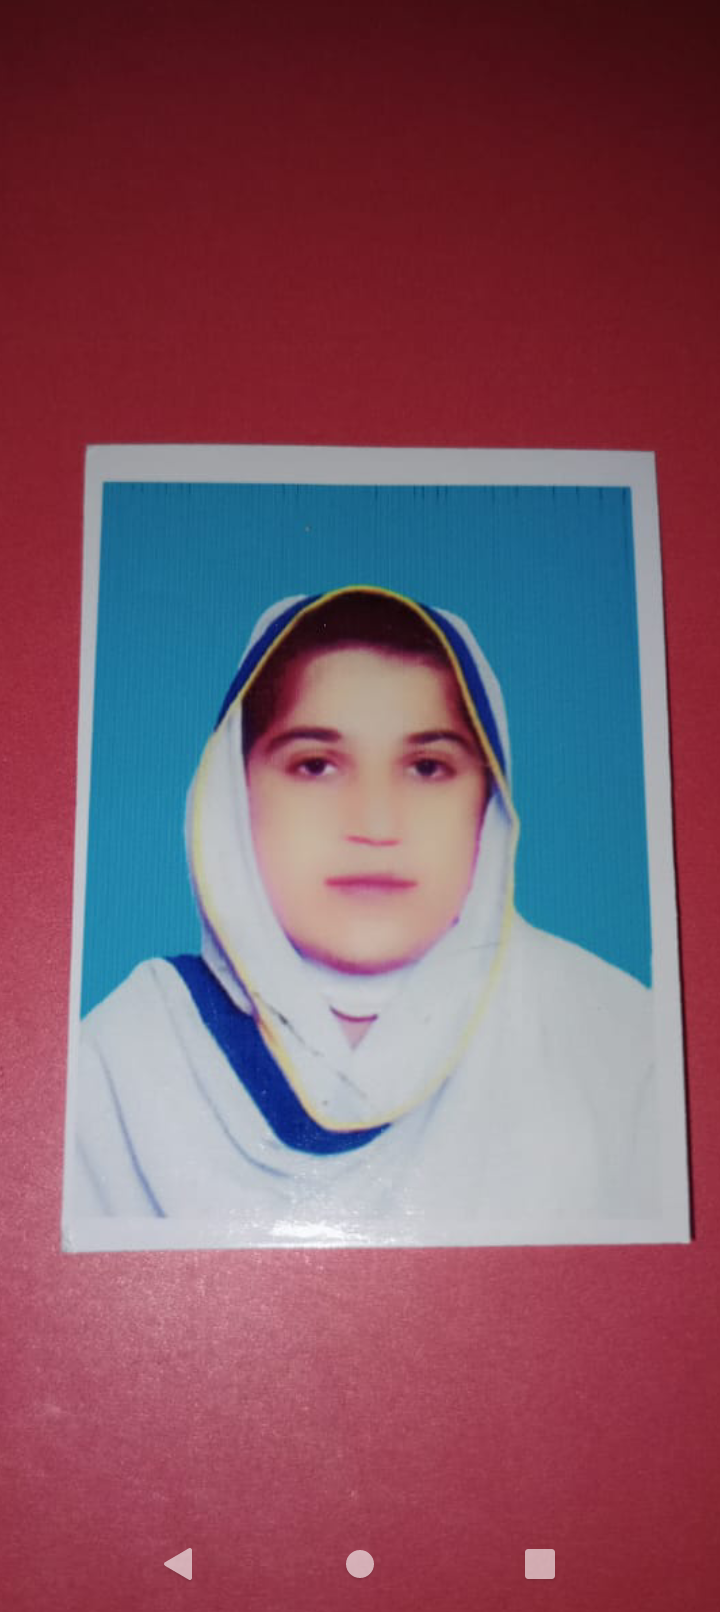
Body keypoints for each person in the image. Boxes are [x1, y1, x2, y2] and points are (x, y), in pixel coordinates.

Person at [68, 586, 657, 1240]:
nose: (376, 825)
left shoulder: (621, 1048)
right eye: (316, 765)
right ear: (234, 792)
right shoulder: (123, 1063)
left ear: (487, 801)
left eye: (427, 767)